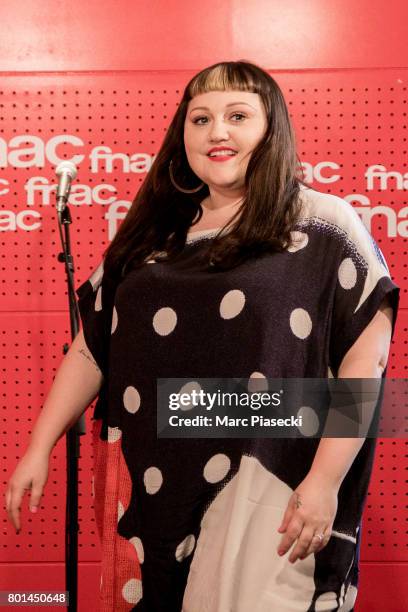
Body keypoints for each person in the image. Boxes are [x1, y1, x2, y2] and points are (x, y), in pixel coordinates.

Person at [5, 60, 400, 612]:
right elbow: (93, 345)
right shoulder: (151, 236)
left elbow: (367, 363)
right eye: (200, 118)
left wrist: (325, 480)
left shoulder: (323, 223)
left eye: (238, 115)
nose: (217, 131)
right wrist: (38, 446)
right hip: (154, 488)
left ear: (272, 129)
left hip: (273, 483)